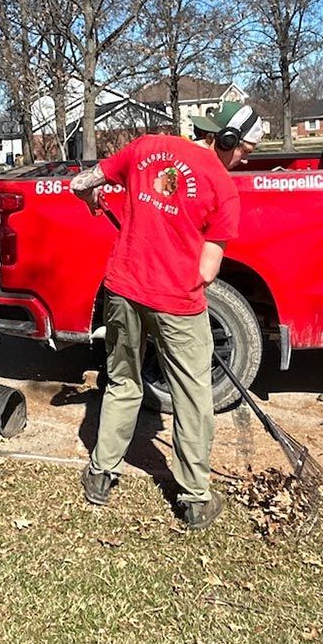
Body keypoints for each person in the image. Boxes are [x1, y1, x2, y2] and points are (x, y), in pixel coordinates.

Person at [67, 102, 264, 530]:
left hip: (121, 290)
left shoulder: (145, 148)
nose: (245, 158)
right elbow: (207, 272)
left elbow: (81, 183)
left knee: (122, 381)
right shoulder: (224, 189)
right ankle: (194, 499)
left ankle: (101, 476)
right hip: (178, 303)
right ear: (226, 139)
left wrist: (92, 201)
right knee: (193, 395)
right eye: (245, 149)